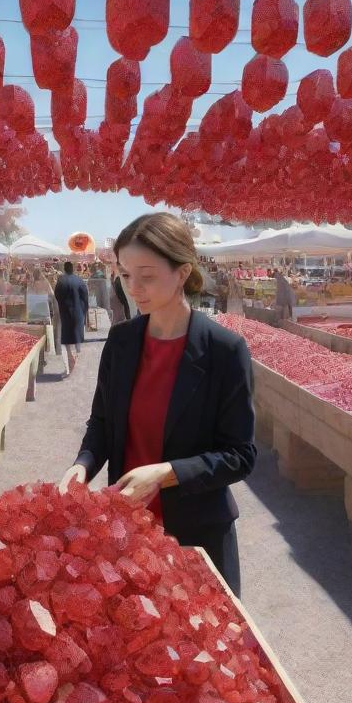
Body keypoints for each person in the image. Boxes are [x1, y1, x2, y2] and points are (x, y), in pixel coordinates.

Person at [59, 213, 257, 595]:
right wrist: (82, 465)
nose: (133, 288)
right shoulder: (121, 342)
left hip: (197, 537)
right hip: (127, 533)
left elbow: (240, 455)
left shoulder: (224, 350)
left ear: (182, 273)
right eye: (125, 274)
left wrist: (167, 472)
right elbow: (101, 422)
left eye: (146, 275)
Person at [53, 260, 89, 375]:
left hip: (66, 312)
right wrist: (84, 309)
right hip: (78, 311)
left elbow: (57, 295)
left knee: (67, 337)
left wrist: (62, 306)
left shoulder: (61, 281)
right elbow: (85, 296)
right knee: (77, 334)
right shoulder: (80, 280)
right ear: (72, 269)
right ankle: (75, 353)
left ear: (64, 269)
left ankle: (70, 355)